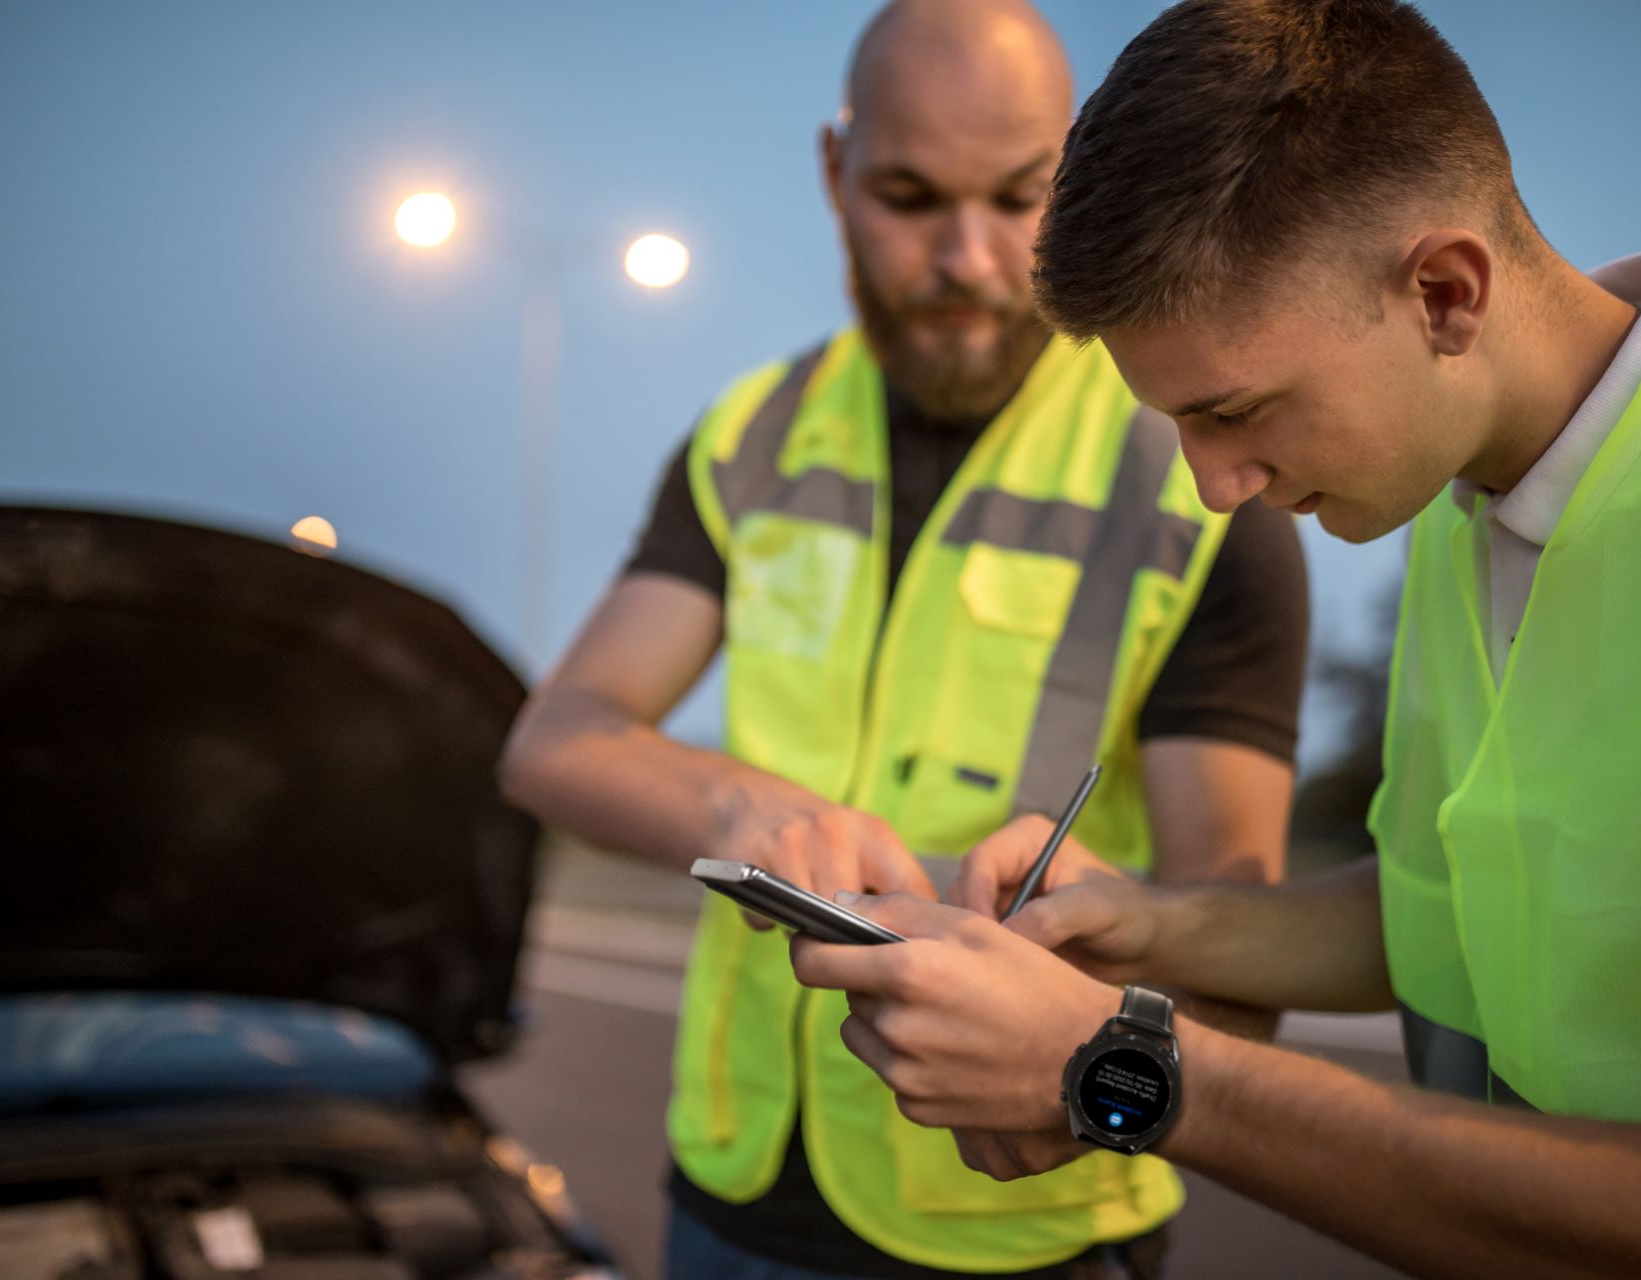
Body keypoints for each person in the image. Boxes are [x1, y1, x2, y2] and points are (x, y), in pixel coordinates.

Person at [790, 1, 1641, 1275]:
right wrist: (1147, 921)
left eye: (1236, 410)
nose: (1217, 487)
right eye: (1181, 429)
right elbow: (1452, 905)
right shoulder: (1456, 496)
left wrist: (1123, 1062)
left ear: (1445, 292)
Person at [496, 1, 1311, 1276]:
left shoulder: (1196, 470)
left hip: (1030, 1236)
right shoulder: (749, 437)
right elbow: (561, 734)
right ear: (835, 171)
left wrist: (1078, 1052)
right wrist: (737, 808)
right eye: (910, 195)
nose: (970, 259)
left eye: (1018, 197)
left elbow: (1239, 943)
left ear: (1080, 172)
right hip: (729, 1183)